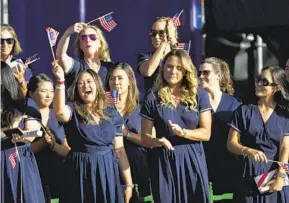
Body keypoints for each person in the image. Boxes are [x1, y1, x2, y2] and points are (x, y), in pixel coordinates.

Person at [52, 61, 133, 203]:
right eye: (80, 83)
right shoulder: (74, 109)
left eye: (89, 81)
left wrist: (128, 184)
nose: (85, 86)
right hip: (80, 171)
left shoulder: (111, 111)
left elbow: (119, 150)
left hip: (107, 170)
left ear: (98, 85)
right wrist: (60, 81)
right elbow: (59, 113)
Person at [140, 49, 212, 203]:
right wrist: (157, 141)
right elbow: (144, 137)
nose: (173, 71)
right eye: (169, 66)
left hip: (192, 159)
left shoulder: (199, 94)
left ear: (186, 71)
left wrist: (183, 132)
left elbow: (206, 133)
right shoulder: (152, 97)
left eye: (179, 68)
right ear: (163, 68)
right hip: (165, 160)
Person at [227, 65, 289, 203]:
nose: (258, 84)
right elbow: (231, 144)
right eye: (258, 79)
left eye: (264, 81)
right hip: (248, 176)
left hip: (273, 179)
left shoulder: (284, 116)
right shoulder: (244, 111)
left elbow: (285, 150)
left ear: (276, 88)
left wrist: (281, 176)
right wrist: (247, 150)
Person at [106, 62, 152, 202]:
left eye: (120, 78)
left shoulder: (141, 108)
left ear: (130, 81)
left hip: (139, 167)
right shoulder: (102, 109)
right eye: (112, 79)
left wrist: (126, 133)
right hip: (112, 167)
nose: (116, 82)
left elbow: (150, 140)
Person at [1, 62, 45, 203]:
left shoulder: (24, 104)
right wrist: (7, 131)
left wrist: (19, 133)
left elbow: (33, 134)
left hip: (17, 163)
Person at [199, 57, 242, 201]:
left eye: (206, 73)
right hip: (202, 163)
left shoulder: (234, 104)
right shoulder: (193, 102)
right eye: (199, 73)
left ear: (218, 75)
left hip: (228, 165)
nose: (201, 76)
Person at [27, 74, 71, 201]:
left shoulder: (59, 116)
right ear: (31, 94)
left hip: (59, 175)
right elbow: (23, 150)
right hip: (34, 174)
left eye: (52, 91)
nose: (49, 95)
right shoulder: (26, 118)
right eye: (43, 91)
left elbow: (67, 150)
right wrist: (42, 142)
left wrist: (53, 144)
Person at [56, 23, 114, 88]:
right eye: (84, 37)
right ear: (80, 45)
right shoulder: (76, 67)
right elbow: (60, 56)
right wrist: (68, 33)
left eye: (92, 37)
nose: (88, 40)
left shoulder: (110, 68)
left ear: (100, 43)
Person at [137, 17, 178, 93]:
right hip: (154, 102)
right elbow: (148, 71)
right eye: (153, 33)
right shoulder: (145, 56)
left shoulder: (180, 54)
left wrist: (172, 40)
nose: (156, 37)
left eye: (161, 33)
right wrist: (164, 43)